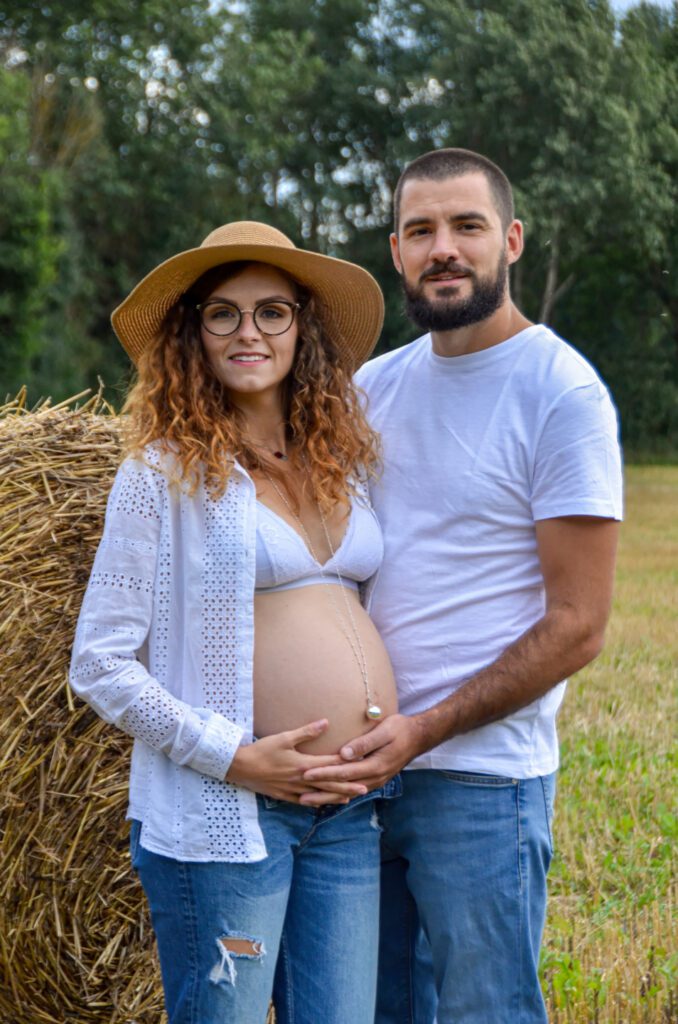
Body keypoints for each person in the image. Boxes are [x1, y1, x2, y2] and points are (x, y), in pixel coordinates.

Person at [301, 148, 623, 1023]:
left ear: (510, 241)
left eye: (467, 226)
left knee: (489, 1011)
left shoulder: (562, 394)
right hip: (360, 771)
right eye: (421, 230)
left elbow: (579, 624)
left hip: (480, 779)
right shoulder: (373, 387)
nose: (444, 248)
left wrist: (428, 729)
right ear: (397, 252)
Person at [69, 220, 401, 1024]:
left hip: (349, 815)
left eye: (271, 311)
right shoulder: (161, 476)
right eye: (223, 312)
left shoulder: (341, 463)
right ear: (195, 333)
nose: (248, 331)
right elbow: (100, 663)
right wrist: (235, 758)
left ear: (302, 328)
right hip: (228, 823)